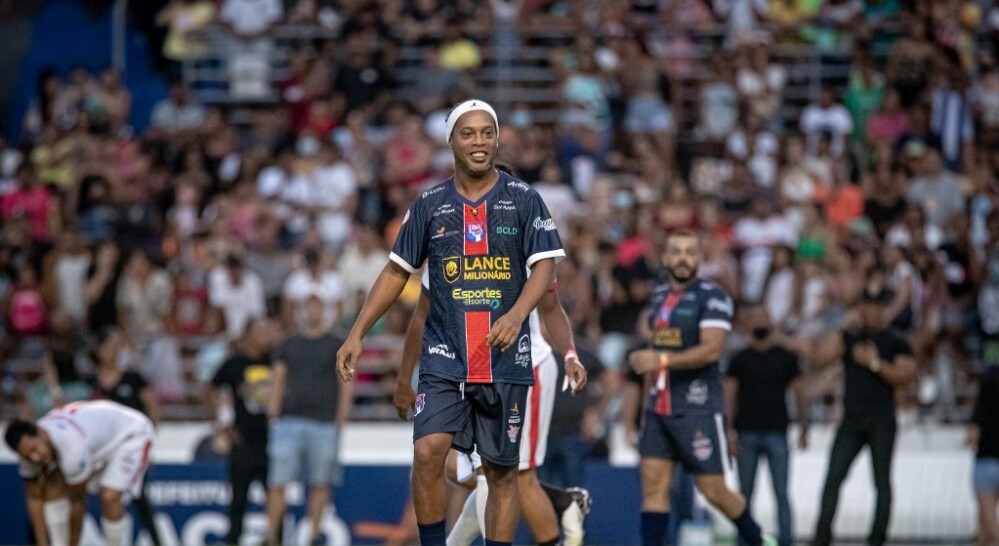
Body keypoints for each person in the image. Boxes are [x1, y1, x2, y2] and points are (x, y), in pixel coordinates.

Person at [337, 99, 565, 546]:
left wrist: (517, 315)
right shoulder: (428, 205)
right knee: (427, 452)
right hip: (445, 355)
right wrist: (357, 332)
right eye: (468, 133)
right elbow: (396, 271)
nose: (479, 141)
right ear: (451, 142)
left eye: (486, 132)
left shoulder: (524, 199)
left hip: (505, 357)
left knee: (502, 473)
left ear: (496, 139)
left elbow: (545, 269)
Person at [394, 269, 589, 546]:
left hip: (523, 368)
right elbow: (422, 310)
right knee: (456, 468)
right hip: (471, 371)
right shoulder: (450, 237)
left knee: (514, 477)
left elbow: (551, 304)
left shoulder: (521, 233)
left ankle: (562, 507)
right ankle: (560, 500)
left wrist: (570, 355)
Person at [628, 230, 774, 546]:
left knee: (714, 491)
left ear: (700, 259)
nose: (683, 258)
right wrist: (641, 412)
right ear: (666, 258)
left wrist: (661, 360)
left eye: (690, 252)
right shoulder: (658, 298)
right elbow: (651, 360)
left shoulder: (713, 297)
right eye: (676, 251)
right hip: (658, 408)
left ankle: (760, 540)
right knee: (653, 486)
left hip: (697, 408)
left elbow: (711, 350)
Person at [810, 285, 917, 546]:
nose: (868, 313)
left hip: (882, 419)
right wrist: (842, 329)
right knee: (833, 478)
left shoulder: (895, 341)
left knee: (881, 482)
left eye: (874, 308)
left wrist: (875, 364)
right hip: (852, 419)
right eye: (864, 307)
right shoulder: (851, 338)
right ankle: (822, 537)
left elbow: (905, 376)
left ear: (882, 310)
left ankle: (877, 538)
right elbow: (820, 359)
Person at [263, 295, 353, 546]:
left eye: (317, 307)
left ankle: (313, 536)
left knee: (320, 483)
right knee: (277, 482)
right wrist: (273, 413)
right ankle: (271, 536)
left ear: (323, 310)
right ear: (303, 311)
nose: (313, 312)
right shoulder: (288, 344)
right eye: (309, 307)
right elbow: (278, 379)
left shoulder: (336, 343)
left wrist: (341, 419)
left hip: (323, 423)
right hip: (289, 421)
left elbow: (345, 383)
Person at [5, 400, 156, 546]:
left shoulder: (72, 449)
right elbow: (35, 498)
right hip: (93, 437)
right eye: (27, 455)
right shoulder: (31, 449)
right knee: (53, 489)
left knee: (110, 496)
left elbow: (77, 504)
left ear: (41, 434)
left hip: (131, 433)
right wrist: (42, 543)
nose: (35, 457)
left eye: (35, 449)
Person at [725, 305, 810, 546]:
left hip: (777, 432)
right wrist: (729, 434)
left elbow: (801, 394)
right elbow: (729, 398)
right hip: (746, 433)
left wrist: (804, 428)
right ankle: (744, 540)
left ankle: (785, 541)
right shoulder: (739, 359)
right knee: (744, 496)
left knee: (781, 495)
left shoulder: (785, 357)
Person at [87, 327, 164, 546]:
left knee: (140, 499)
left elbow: (154, 408)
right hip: (100, 451)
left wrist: (147, 441)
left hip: (131, 449)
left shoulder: (133, 378)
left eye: (117, 346)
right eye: (109, 346)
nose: (114, 351)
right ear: (99, 350)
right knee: (103, 498)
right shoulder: (90, 382)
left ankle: (157, 541)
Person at [208, 316, 279, 546]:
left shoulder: (275, 361)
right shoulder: (234, 364)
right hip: (242, 441)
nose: (267, 336)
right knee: (238, 500)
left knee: (276, 499)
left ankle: (274, 540)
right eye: (261, 331)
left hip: (272, 441)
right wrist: (221, 424)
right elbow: (210, 390)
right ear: (248, 335)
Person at [969, 360, 999, 546]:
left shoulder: (980, 410)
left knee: (989, 521)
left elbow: (971, 437)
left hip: (985, 464)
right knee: (983, 528)